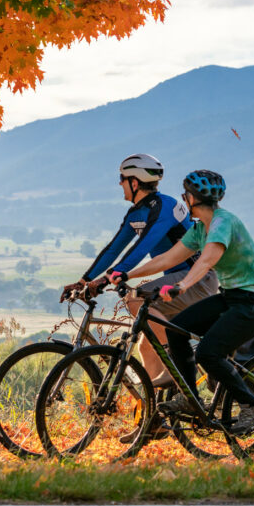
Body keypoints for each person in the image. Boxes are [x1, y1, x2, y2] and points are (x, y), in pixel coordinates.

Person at [109, 169, 254, 433]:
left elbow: (208, 259)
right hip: (233, 298)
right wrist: (127, 274)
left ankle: (253, 405)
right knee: (177, 330)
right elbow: (168, 259)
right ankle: (191, 399)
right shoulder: (200, 229)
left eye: (185, 195)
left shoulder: (223, 223)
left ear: (193, 198)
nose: (184, 199)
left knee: (208, 353)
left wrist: (181, 286)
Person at [62, 154, 218, 387]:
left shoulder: (164, 206)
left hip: (197, 278)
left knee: (135, 300)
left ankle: (177, 363)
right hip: (176, 281)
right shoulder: (136, 213)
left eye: (122, 179)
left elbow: (140, 248)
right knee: (146, 345)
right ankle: (154, 412)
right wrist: (84, 281)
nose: (119, 184)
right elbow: (113, 249)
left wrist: (107, 280)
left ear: (135, 182)